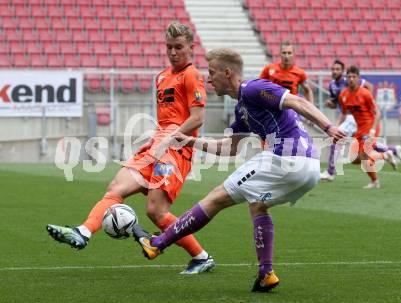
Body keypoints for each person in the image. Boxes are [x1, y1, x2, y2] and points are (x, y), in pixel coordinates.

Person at [131, 48, 346, 292]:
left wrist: (328, 127)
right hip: (308, 169)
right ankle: (266, 274)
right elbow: (230, 148)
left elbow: (297, 101)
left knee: (215, 198)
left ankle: (158, 243)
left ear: (227, 72)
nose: (208, 79)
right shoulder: (241, 108)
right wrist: (189, 141)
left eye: (212, 73)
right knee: (257, 204)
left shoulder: (253, 89)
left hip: (287, 157)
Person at [46, 21, 216, 274]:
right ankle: (82, 233)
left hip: (177, 150)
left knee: (156, 212)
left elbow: (197, 119)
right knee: (115, 188)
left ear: (191, 48)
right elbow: (167, 119)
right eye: (169, 47)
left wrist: (169, 140)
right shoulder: (161, 77)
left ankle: (201, 257)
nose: (173, 52)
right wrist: (155, 141)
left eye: (178, 47)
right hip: (156, 146)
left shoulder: (192, 75)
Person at [320, 60, 401, 181]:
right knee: (357, 155)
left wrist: (364, 102)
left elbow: (368, 86)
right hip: (351, 117)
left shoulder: (350, 81)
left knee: (341, 141)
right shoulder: (332, 85)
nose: (335, 71)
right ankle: (391, 150)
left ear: (342, 71)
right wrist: (330, 104)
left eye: (338, 69)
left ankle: (330, 172)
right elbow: (339, 104)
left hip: (356, 118)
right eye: (333, 69)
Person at [338, 65, 394, 189]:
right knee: (354, 159)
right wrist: (337, 128)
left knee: (364, 157)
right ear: (346, 78)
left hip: (370, 126)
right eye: (349, 77)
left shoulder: (365, 94)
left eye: (354, 76)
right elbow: (343, 113)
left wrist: (373, 130)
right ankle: (385, 155)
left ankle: (375, 182)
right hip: (359, 129)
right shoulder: (343, 95)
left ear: (358, 78)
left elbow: (377, 112)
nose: (351, 79)